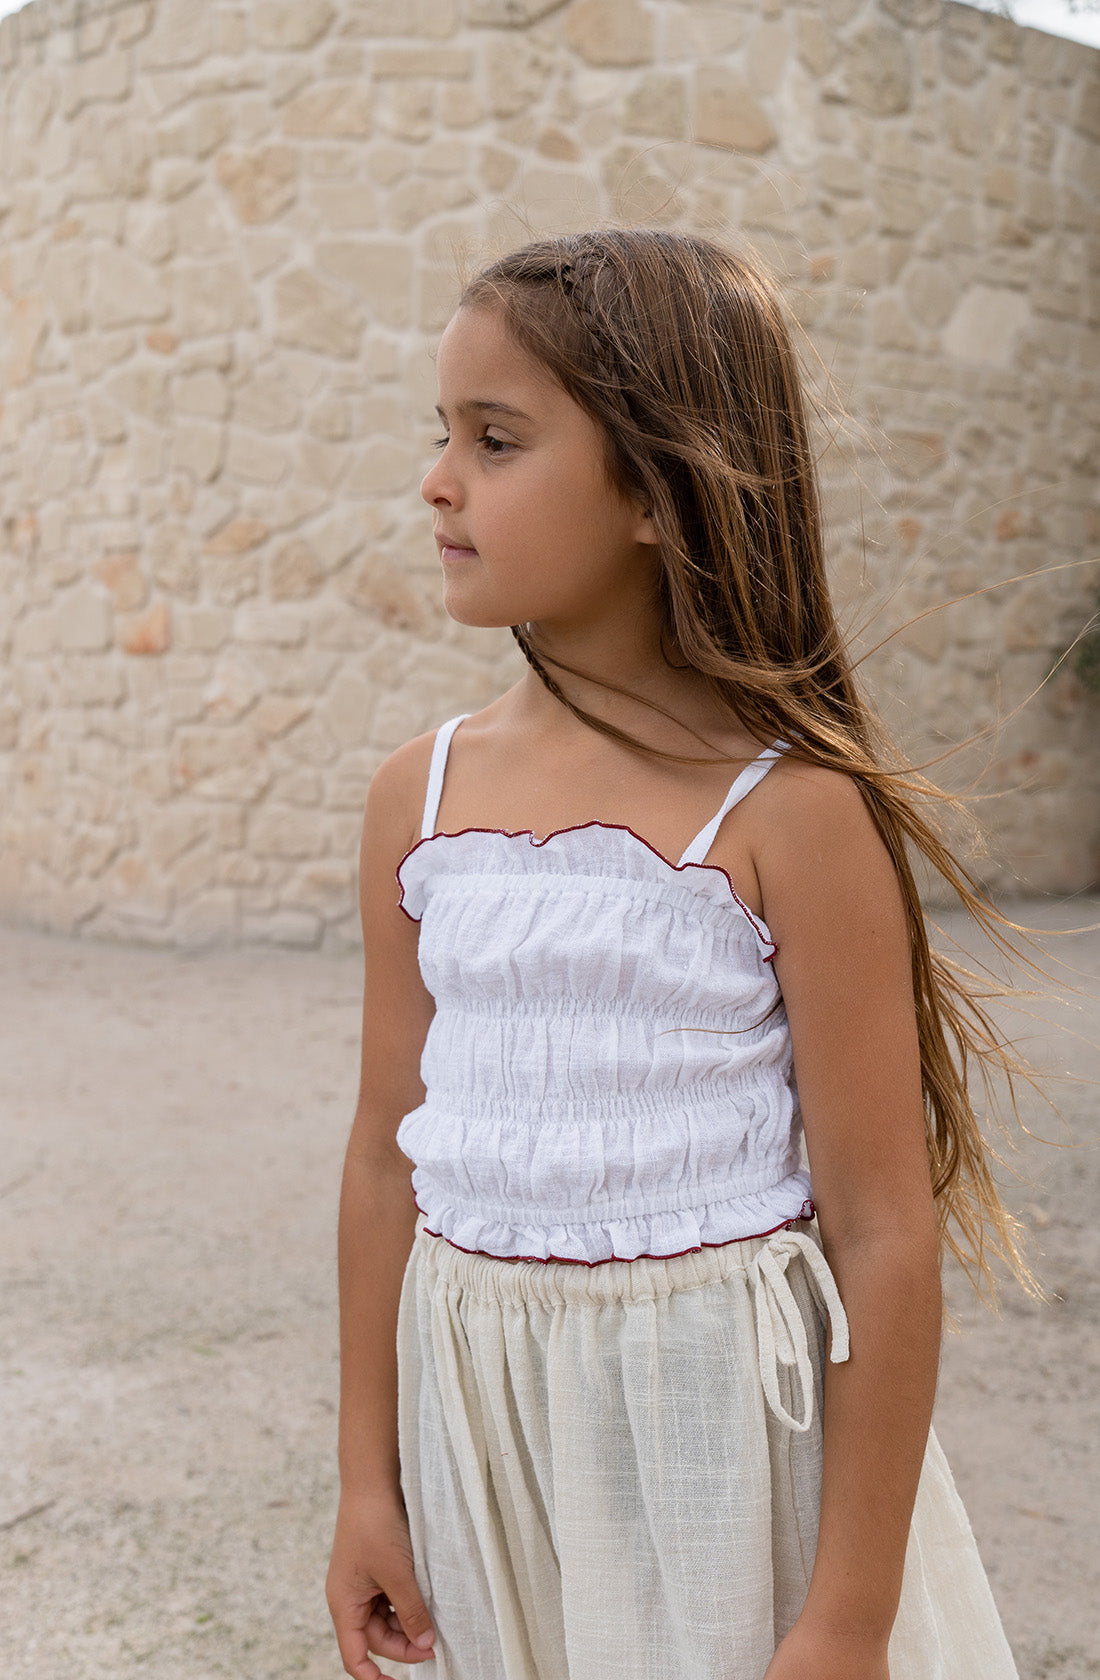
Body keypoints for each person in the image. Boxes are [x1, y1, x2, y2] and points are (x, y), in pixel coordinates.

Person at [326, 228, 1029, 1680]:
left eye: (496, 439)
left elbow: (886, 1232)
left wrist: (845, 1618)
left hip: (717, 1455)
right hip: (481, 1439)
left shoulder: (792, 814)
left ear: (658, 486)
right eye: (441, 434)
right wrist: (365, 1485)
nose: (436, 481)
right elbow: (385, 1158)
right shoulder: (421, 797)